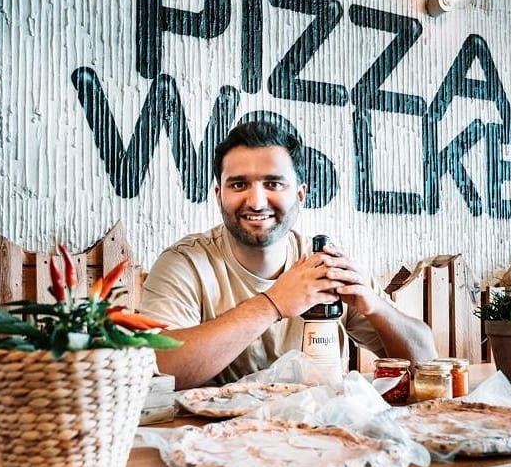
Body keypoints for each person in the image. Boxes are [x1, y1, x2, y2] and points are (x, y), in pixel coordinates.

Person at [140, 121, 437, 389]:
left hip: (319, 428)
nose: (257, 202)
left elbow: (426, 365)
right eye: (239, 184)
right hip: (212, 431)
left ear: (299, 195)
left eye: (273, 184)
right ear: (219, 195)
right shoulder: (184, 263)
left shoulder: (325, 263)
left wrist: (375, 307)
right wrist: (273, 304)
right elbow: (159, 369)